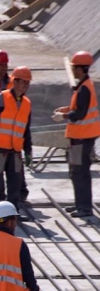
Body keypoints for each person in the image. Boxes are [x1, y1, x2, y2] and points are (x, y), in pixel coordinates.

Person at [0, 66, 33, 222]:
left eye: (28, 83)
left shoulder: (27, 103)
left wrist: (28, 151)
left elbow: (26, 130)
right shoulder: (1, 98)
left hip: (15, 150)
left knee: (15, 183)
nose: (26, 86)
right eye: (23, 83)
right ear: (14, 82)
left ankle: (12, 212)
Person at [53, 51, 100, 219]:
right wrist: (66, 109)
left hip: (82, 138)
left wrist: (64, 116)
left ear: (81, 69)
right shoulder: (83, 86)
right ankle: (80, 204)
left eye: (74, 67)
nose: (72, 70)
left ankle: (85, 208)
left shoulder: (84, 89)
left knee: (80, 173)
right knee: (75, 172)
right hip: (79, 137)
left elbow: (80, 113)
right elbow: (78, 107)